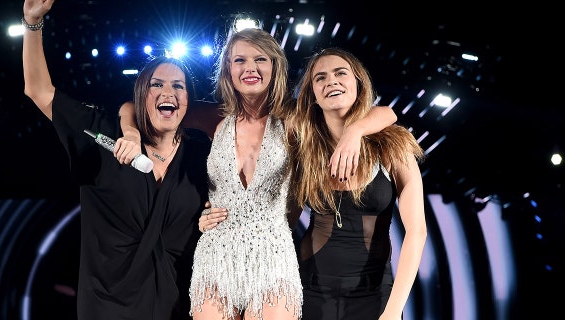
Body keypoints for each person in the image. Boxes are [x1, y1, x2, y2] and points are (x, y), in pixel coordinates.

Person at [119, 28, 397, 320]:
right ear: (228, 69)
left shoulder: (294, 118)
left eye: (260, 59)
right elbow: (133, 108)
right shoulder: (213, 117)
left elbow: (387, 113)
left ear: (274, 66)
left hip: (273, 259)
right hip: (216, 255)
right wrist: (130, 134)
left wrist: (355, 131)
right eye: (239, 60)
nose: (250, 68)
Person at [21, 0, 212, 319]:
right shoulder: (104, 138)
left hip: (179, 306)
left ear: (188, 100)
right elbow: (39, 92)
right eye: (157, 85)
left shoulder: (199, 152)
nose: (169, 92)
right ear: (141, 95)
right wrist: (32, 23)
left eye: (178, 86)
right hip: (107, 308)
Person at [288, 47, 427, 320]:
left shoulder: (392, 146)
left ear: (358, 84)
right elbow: (282, 222)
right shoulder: (303, 149)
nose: (332, 81)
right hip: (308, 291)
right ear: (312, 95)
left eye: (341, 73)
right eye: (320, 78)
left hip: (374, 295)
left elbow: (417, 233)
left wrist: (393, 310)